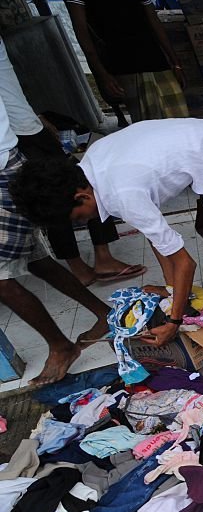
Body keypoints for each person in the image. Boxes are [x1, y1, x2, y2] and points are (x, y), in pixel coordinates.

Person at [12, 118, 203, 375]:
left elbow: (185, 262)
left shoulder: (121, 193)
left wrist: (174, 321)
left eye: (79, 217)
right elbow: (155, 235)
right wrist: (173, 292)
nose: (86, 221)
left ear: (81, 196)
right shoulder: (92, 165)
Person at [0, 38, 143, 285]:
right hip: (14, 139)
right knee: (55, 198)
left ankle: (99, 258)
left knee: (76, 186)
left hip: (22, 126)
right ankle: (81, 265)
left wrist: (33, 117)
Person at [0, 100, 110, 386]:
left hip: (2, 169)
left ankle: (61, 346)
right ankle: (105, 314)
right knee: (37, 259)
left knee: (1, 278)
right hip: (7, 161)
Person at [63, 0, 187, 123]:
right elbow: (81, 32)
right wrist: (102, 74)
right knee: (146, 125)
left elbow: (153, 20)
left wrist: (176, 63)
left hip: (156, 59)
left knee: (179, 118)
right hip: (123, 66)